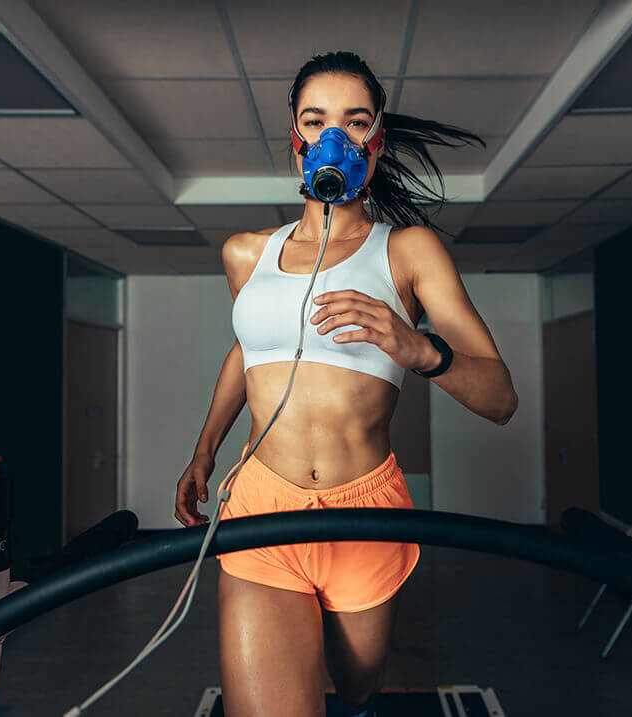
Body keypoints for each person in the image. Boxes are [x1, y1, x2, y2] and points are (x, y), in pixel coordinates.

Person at [174, 50, 519, 717]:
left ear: (376, 139)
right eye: (316, 118)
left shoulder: (409, 250)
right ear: (295, 141)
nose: (335, 136)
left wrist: (419, 348)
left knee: (356, 689)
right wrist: (204, 448)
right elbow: (248, 349)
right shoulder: (246, 252)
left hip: (364, 510)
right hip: (261, 507)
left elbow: (501, 398)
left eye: (354, 120)